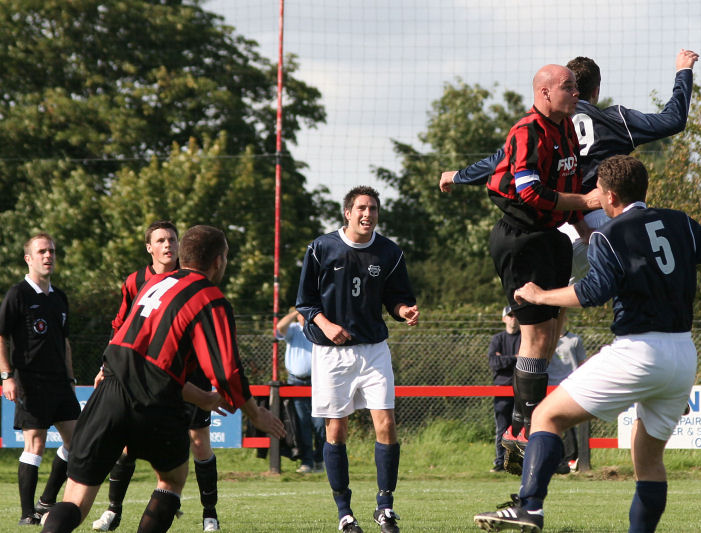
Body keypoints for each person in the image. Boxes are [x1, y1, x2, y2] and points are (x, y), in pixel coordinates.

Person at [474, 155, 701, 533]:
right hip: (682, 357)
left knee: (546, 416)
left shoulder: (609, 235)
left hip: (638, 352)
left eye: (596, 190)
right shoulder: (678, 223)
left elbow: (592, 292)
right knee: (648, 462)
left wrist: (540, 295)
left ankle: (529, 507)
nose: (593, 197)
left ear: (610, 195)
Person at [440, 49, 699, 470]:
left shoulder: (555, 124)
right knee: (648, 270)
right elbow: (674, 120)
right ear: (593, 91)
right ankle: (663, 382)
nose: (574, 95)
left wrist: (459, 175)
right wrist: (683, 72)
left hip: (558, 225)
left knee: (551, 327)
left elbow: (497, 160)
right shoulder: (610, 117)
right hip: (589, 213)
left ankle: (528, 422)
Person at [40, 225, 286, 533]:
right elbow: (225, 371)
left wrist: (205, 399)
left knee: (75, 500)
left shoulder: (152, 284)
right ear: (219, 261)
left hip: (110, 389)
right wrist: (255, 412)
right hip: (155, 403)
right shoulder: (210, 298)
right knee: (172, 479)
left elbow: (147, 364)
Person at [445, 64, 601, 474]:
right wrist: (585, 205)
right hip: (521, 239)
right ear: (545, 93)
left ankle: (524, 429)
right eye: (568, 87)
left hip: (551, 238)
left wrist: (583, 225)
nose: (576, 93)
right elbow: (530, 191)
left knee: (549, 339)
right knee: (533, 339)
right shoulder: (526, 131)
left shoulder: (567, 128)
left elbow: (567, 184)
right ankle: (523, 432)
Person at [296, 186, 419, 533]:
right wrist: (326, 324)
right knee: (336, 429)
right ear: (347, 213)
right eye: (362, 208)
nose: (368, 214)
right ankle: (345, 513)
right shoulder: (321, 248)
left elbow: (397, 299)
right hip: (331, 354)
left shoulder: (389, 252)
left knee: (387, 424)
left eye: (374, 209)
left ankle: (385, 507)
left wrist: (404, 310)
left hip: (374, 349)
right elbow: (305, 302)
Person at [90, 220, 226, 532]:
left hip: (189, 375)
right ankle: (113, 510)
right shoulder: (136, 280)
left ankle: (210, 514)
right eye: (161, 240)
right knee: (127, 444)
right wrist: (105, 367)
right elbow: (121, 327)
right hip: (144, 376)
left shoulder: (193, 278)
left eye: (173, 240)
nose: (168, 246)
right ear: (149, 247)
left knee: (199, 442)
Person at [0, 233, 81, 526]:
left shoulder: (59, 297)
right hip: (30, 381)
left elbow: (66, 342)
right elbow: (1, 334)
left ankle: (46, 501)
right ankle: (26, 515)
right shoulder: (17, 294)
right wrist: (7, 376)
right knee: (35, 443)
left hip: (60, 383)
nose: (49, 256)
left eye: (52, 252)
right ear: (29, 258)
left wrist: (71, 379)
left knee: (78, 441)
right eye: (42, 251)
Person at [276, 307, 326, 474]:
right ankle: (307, 462)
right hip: (296, 383)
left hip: (318, 382)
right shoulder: (293, 330)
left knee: (320, 424)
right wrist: (294, 312)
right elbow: (279, 328)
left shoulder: (318, 330)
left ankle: (320, 459)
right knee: (302, 424)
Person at [548, 321, 586, 474]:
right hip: (550, 386)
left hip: (570, 385)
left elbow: (582, 362)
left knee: (568, 423)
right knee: (551, 422)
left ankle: (571, 458)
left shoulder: (575, 340)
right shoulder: (548, 339)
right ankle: (555, 459)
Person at [488, 306, 519, 473]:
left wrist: (504, 359)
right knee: (502, 427)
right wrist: (514, 358)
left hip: (520, 388)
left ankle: (518, 462)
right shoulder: (497, 339)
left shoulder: (525, 338)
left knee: (520, 427)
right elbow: (493, 362)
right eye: (510, 315)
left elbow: (526, 360)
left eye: (515, 315)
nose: (513, 318)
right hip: (501, 389)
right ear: (504, 319)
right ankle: (500, 462)